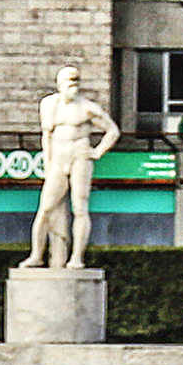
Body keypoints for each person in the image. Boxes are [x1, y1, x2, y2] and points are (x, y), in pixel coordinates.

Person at [22, 65, 122, 271]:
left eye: (76, 82)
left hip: (79, 155)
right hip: (58, 158)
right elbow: (46, 137)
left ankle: (76, 257)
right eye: (69, 82)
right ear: (60, 85)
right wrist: (48, 165)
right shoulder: (49, 104)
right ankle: (36, 255)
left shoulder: (87, 108)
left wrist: (97, 152)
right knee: (45, 208)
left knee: (80, 207)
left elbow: (113, 131)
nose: (73, 86)